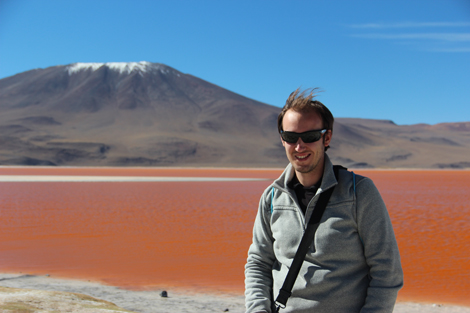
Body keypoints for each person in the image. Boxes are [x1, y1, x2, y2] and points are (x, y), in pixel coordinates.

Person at [245, 88, 403, 313]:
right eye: (291, 137)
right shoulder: (272, 197)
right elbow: (258, 263)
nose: (299, 147)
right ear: (282, 139)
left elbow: (387, 271)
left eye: (309, 137)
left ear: (326, 137)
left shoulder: (359, 193)